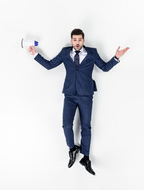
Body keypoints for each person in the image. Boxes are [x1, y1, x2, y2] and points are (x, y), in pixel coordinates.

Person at [28, 29, 129, 175]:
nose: (77, 42)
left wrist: (116, 58)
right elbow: (50, 65)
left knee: (86, 126)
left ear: (83, 40)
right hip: (69, 94)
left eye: (79, 39)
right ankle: (72, 148)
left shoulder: (92, 53)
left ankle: (86, 158)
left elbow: (105, 68)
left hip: (86, 95)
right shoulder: (64, 52)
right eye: (74, 40)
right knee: (66, 125)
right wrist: (35, 54)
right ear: (71, 40)